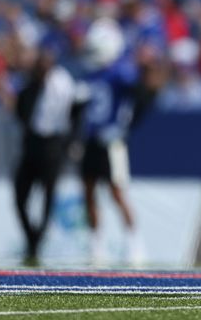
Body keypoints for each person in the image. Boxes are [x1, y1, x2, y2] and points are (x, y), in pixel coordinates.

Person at [78, 17, 157, 266]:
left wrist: (124, 129)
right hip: (91, 139)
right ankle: (96, 245)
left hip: (111, 142)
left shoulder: (121, 72)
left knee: (116, 191)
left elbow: (142, 96)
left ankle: (135, 243)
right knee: (88, 192)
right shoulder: (92, 73)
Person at [14, 38, 79, 265]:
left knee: (48, 195)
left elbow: (73, 112)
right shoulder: (32, 82)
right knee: (20, 195)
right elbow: (22, 112)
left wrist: (71, 141)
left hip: (52, 144)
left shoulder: (62, 82)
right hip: (33, 142)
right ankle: (32, 237)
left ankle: (38, 241)